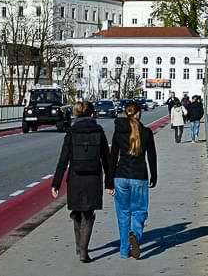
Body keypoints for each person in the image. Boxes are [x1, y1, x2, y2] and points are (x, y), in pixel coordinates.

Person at [51, 101, 112, 263]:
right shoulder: (99, 131)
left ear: (76, 114)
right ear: (92, 114)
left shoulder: (71, 132)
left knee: (76, 212)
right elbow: (107, 159)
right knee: (88, 214)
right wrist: (109, 183)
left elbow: (63, 159)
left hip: (75, 177)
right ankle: (84, 250)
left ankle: (79, 246)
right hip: (93, 177)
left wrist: (55, 183)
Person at [108, 102, 157, 260]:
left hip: (120, 176)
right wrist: (154, 176)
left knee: (123, 214)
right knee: (139, 211)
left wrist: (109, 182)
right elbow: (152, 156)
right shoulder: (146, 132)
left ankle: (124, 251)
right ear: (138, 113)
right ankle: (135, 234)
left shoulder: (118, 132)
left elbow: (113, 157)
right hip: (139, 176)